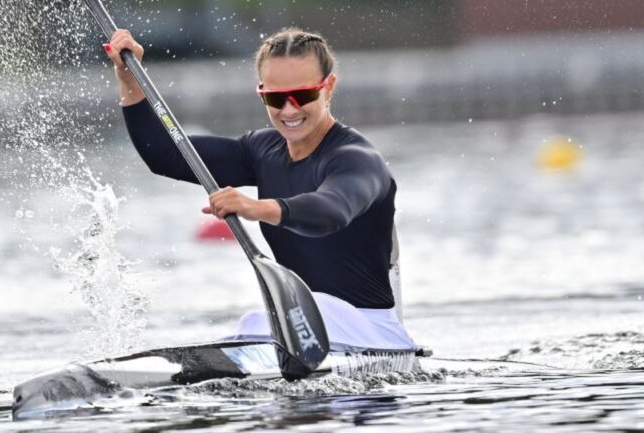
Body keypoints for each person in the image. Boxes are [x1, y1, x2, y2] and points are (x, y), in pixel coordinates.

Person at [104, 27, 415, 351]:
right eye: (276, 98)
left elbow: (332, 210)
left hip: (372, 332)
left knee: (256, 323)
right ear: (262, 93)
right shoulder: (261, 151)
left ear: (329, 88)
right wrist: (128, 78)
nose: (290, 110)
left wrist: (257, 207)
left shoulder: (357, 160)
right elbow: (163, 154)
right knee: (249, 328)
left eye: (303, 95)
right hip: (301, 328)